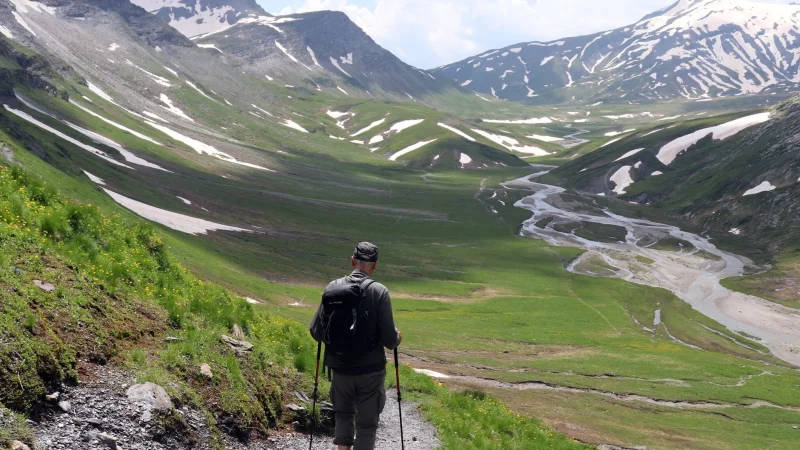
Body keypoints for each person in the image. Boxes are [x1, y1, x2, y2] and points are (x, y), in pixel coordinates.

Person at [309, 242, 402, 450]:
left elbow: (316, 331)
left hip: (340, 368)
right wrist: (397, 338)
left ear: (352, 261)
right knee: (367, 425)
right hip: (371, 371)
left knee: (343, 416)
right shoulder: (379, 292)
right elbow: (389, 340)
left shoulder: (333, 288)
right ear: (374, 266)